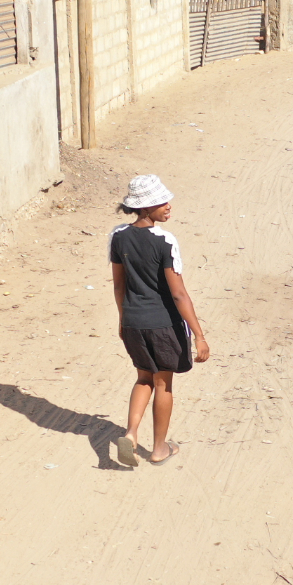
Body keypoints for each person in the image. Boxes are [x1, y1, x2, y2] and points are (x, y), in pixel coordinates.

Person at [109, 175, 209, 467]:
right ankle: (159, 448)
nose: (168, 207)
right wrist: (199, 335)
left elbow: (118, 285)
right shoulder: (165, 241)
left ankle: (130, 433)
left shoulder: (118, 236)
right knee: (163, 383)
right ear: (145, 208)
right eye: (161, 203)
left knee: (143, 377)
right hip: (162, 324)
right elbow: (178, 294)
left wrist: (122, 319)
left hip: (133, 323)